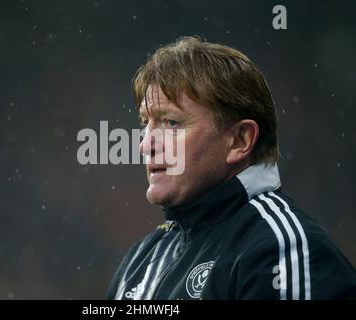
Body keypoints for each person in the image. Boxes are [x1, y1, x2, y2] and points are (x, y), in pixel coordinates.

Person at [107, 36, 356, 300]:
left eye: (171, 123)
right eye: (146, 123)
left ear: (240, 140)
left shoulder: (282, 250)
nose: (145, 146)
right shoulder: (140, 261)